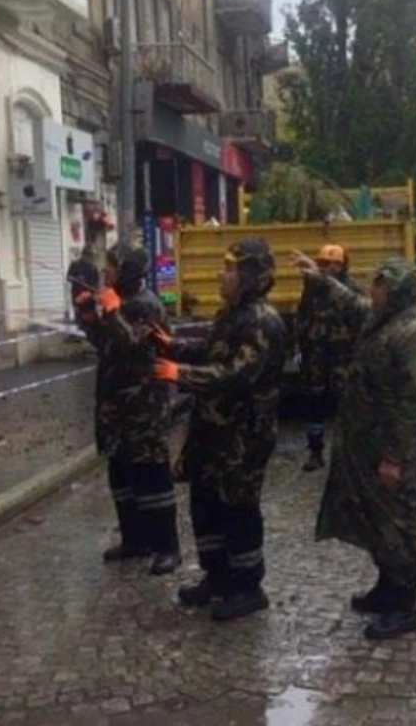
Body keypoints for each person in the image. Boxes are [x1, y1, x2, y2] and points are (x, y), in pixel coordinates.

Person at [299, 252, 416, 640]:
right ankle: (387, 588)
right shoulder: (389, 317)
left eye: (378, 285)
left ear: (394, 290)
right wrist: (320, 280)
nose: (372, 292)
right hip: (368, 442)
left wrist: (395, 458)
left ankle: (405, 606)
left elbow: (413, 405)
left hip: (396, 450)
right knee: (378, 520)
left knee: (399, 522)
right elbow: (353, 304)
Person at [149, 237, 288, 622]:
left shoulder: (264, 321)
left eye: (229, 269)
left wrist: (180, 374)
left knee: (238, 509)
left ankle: (247, 586)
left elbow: (235, 375)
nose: (220, 275)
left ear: (250, 276)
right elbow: (210, 351)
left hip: (243, 438)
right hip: (211, 430)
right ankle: (217, 576)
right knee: (205, 505)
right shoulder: (231, 315)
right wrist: (171, 346)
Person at [79, 243, 181, 575]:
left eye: (110, 266)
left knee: (151, 476)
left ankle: (167, 547)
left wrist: (110, 311)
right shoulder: (121, 303)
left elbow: (131, 345)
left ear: (127, 270)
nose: (105, 271)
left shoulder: (146, 306)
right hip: (115, 405)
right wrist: (89, 316)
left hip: (144, 407)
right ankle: (134, 539)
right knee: (121, 474)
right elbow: (106, 345)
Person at [294, 244, 365, 472]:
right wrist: (302, 345)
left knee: (347, 407)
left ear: (344, 265)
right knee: (315, 406)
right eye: (325, 263)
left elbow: (362, 317)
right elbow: (303, 316)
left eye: (336, 263)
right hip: (316, 357)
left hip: (344, 359)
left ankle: (348, 455)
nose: (330, 268)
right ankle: (315, 453)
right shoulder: (312, 288)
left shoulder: (352, 289)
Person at [67, 245, 101, 329]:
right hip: (78, 295)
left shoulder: (93, 267)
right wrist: (77, 278)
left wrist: (94, 292)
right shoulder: (75, 265)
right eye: (89, 255)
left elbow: (96, 283)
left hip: (89, 296)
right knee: (79, 316)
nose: (90, 258)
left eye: (92, 256)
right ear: (84, 254)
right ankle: (78, 332)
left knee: (91, 317)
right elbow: (68, 277)